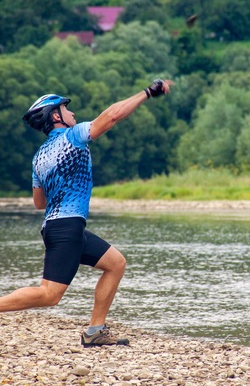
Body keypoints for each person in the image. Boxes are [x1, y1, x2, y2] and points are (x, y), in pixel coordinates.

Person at [0, 79, 173, 347]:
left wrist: (61, 184)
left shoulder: (39, 157)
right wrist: (148, 93)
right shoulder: (73, 136)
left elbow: (39, 202)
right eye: (67, 110)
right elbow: (112, 115)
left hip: (61, 226)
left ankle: (95, 331)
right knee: (49, 295)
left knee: (115, 264)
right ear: (55, 116)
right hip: (67, 227)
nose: (73, 114)